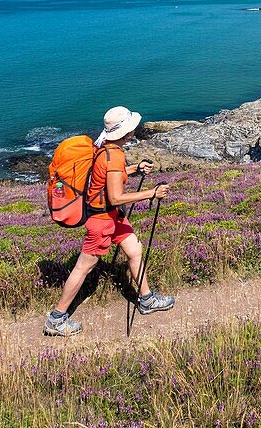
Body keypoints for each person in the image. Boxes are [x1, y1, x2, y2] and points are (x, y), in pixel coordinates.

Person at [44, 106, 175, 337]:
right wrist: (151, 193)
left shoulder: (105, 149)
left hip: (113, 216)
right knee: (83, 267)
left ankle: (146, 299)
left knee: (134, 250)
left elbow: (110, 175)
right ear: (126, 132)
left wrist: (135, 168)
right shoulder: (114, 154)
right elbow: (115, 196)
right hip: (102, 220)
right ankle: (56, 318)